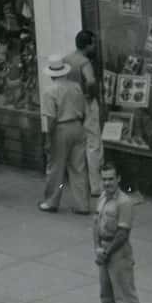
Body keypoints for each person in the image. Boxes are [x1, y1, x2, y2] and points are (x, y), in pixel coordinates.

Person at [92, 162, 145, 303]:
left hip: (118, 252)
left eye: (111, 179)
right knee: (106, 293)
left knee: (124, 294)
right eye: (104, 179)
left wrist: (106, 252)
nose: (107, 183)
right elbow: (96, 224)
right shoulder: (102, 198)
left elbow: (123, 233)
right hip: (105, 249)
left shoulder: (125, 202)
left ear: (118, 179)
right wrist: (97, 248)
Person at [38, 52, 92, 213]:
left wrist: (48, 139)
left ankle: (51, 201)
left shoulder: (50, 91)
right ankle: (83, 204)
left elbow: (51, 119)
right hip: (77, 126)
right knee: (79, 168)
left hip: (61, 128)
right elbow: (83, 110)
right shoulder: (75, 86)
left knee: (56, 166)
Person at [65, 30, 104, 200]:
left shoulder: (67, 59)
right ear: (87, 45)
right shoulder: (85, 62)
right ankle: (96, 186)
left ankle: (80, 183)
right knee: (93, 144)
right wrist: (92, 97)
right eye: (93, 44)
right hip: (85, 103)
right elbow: (91, 81)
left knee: (78, 145)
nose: (94, 47)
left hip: (70, 104)